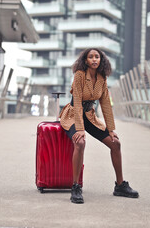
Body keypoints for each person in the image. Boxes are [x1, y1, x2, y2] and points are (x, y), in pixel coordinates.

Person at [59, 48, 139, 204]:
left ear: (101, 60)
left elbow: (105, 104)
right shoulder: (80, 75)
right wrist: (80, 129)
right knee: (80, 142)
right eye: (91, 57)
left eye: (97, 57)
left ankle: (120, 185)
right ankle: (75, 187)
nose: (94, 59)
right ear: (86, 60)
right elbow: (76, 100)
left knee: (115, 143)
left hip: (89, 116)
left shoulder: (102, 78)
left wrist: (111, 129)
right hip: (73, 115)